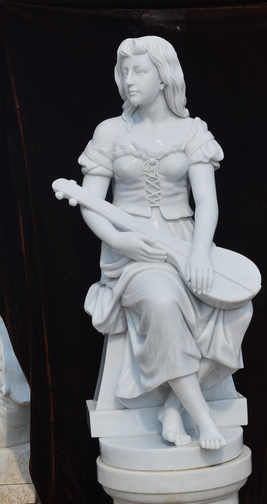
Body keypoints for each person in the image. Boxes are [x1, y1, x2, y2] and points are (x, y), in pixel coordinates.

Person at [78, 36, 252, 450]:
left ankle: (173, 406)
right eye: (124, 71)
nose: (129, 79)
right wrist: (121, 241)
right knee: (161, 300)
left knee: (239, 308)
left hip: (187, 244)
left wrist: (200, 253)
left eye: (139, 70)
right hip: (130, 253)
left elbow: (206, 202)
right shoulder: (109, 132)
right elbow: (90, 203)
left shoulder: (192, 131)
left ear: (164, 77)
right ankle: (202, 417)